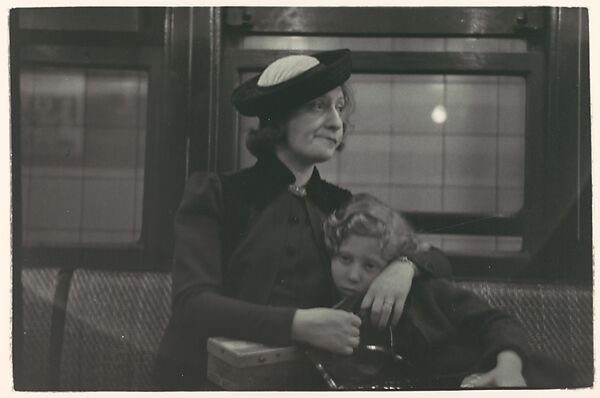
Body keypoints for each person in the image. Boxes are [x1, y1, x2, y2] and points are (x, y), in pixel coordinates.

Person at [153, 49, 452, 390]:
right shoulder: (217, 194)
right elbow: (193, 305)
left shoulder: (343, 205)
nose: (336, 123)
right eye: (318, 106)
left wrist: (403, 266)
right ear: (277, 118)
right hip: (203, 381)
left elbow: (436, 259)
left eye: (339, 108)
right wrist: (298, 324)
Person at [314, 193, 572, 389]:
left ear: (392, 263)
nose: (354, 275)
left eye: (370, 265)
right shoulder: (326, 307)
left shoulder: (424, 292)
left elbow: (497, 322)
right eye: (345, 259)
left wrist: (509, 367)